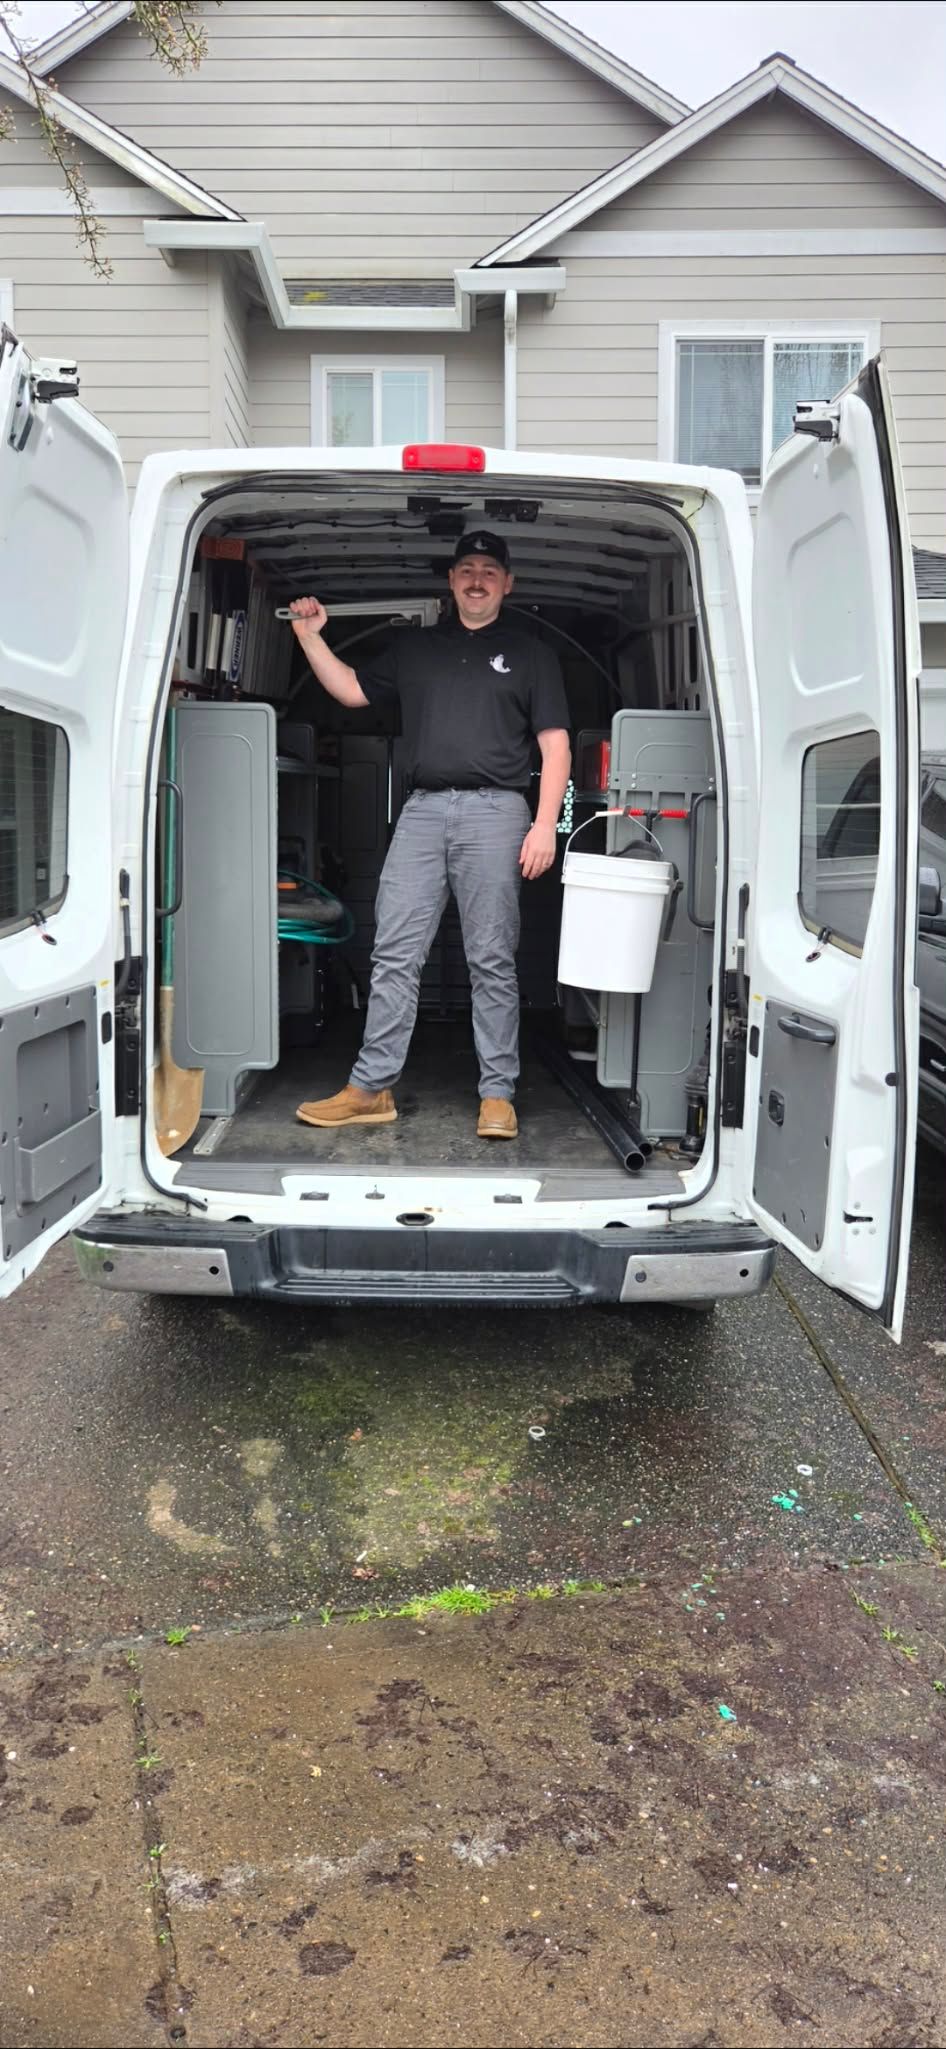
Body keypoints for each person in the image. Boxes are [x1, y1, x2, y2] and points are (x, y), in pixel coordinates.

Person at [289, 531, 571, 1139]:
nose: (477, 579)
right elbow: (350, 691)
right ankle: (370, 1088)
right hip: (420, 812)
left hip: (499, 812)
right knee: (394, 953)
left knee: (491, 958)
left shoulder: (531, 653)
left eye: (489, 571)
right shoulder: (413, 649)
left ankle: (497, 1095)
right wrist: (311, 638)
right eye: (466, 569)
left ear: (507, 583)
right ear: (450, 581)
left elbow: (555, 745)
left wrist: (547, 823)